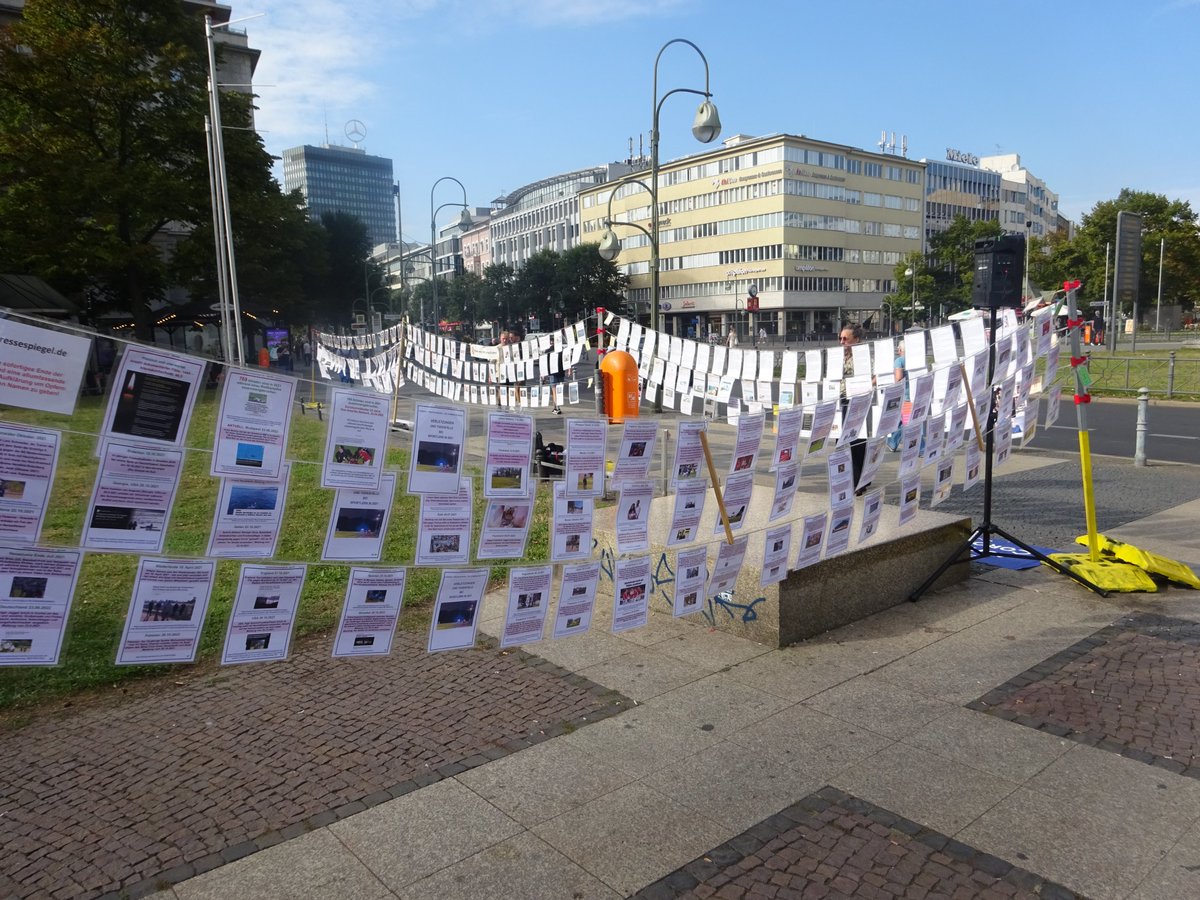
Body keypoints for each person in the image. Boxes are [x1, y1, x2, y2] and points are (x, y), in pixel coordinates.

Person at [839, 324, 870, 494]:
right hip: (840, 401)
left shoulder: (862, 357)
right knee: (841, 442)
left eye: (845, 339)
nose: (841, 342)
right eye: (840, 338)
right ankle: (844, 479)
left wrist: (860, 388)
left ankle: (859, 482)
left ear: (856, 339)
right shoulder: (839, 356)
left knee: (856, 442)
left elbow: (875, 377)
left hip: (856, 402)